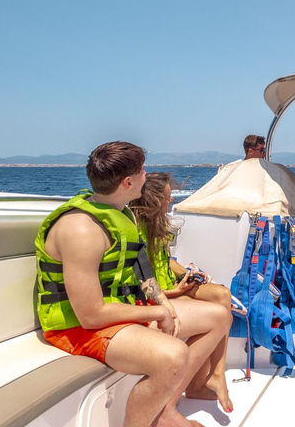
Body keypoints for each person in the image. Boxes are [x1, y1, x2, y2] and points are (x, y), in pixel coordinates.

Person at [36, 141, 228, 427]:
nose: (146, 174)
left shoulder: (119, 212)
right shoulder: (82, 230)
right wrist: (156, 313)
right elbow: (90, 315)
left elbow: (140, 269)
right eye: (141, 171)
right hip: (78, 328)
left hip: (120, 311)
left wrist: (163, 301)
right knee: (173, 355)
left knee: (218, 315)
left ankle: (165, 411)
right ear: (128, 182)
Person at [130, 172, 234, 413]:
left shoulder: (159, 223)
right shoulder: (134, 229)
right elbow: (141, 281)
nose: (171, 202)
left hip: (171, 286)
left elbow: (166, 261)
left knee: (222, 295)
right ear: (153, 200)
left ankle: (212, 377)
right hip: (157, 295)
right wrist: (174, 291)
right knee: (219, 312)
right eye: (167, 198)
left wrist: (188, 271)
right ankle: (198, 384)